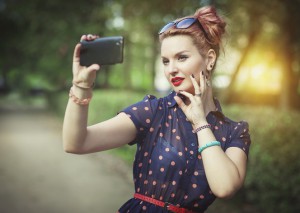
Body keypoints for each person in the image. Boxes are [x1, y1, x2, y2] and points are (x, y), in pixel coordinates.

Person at [63, 5, 251, 213]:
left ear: (209, 59)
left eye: (182, 57)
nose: (171, 69)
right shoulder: (153, 111)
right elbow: (76, 143)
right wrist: (81, 85)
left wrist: (200, 123)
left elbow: (225, 187)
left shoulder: (234, 132)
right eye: (165, 61)